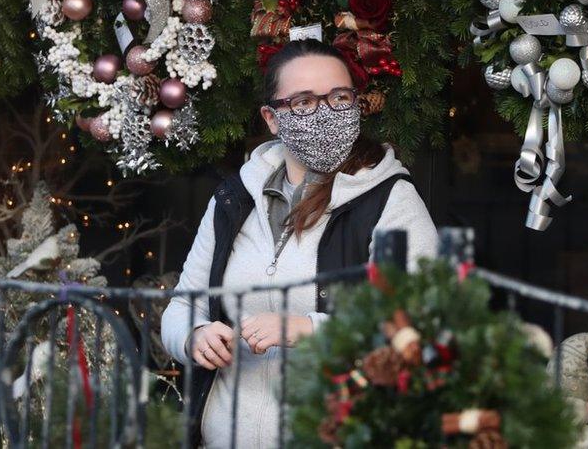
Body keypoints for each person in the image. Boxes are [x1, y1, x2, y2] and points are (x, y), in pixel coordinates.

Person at [160, 39, 438, 448]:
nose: (326, 112)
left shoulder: (390, 200)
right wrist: (194, 335)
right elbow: (184, 305)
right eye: (305, 102)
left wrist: (306, 329)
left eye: (339, 97)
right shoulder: (235, 198)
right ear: (272, 118)